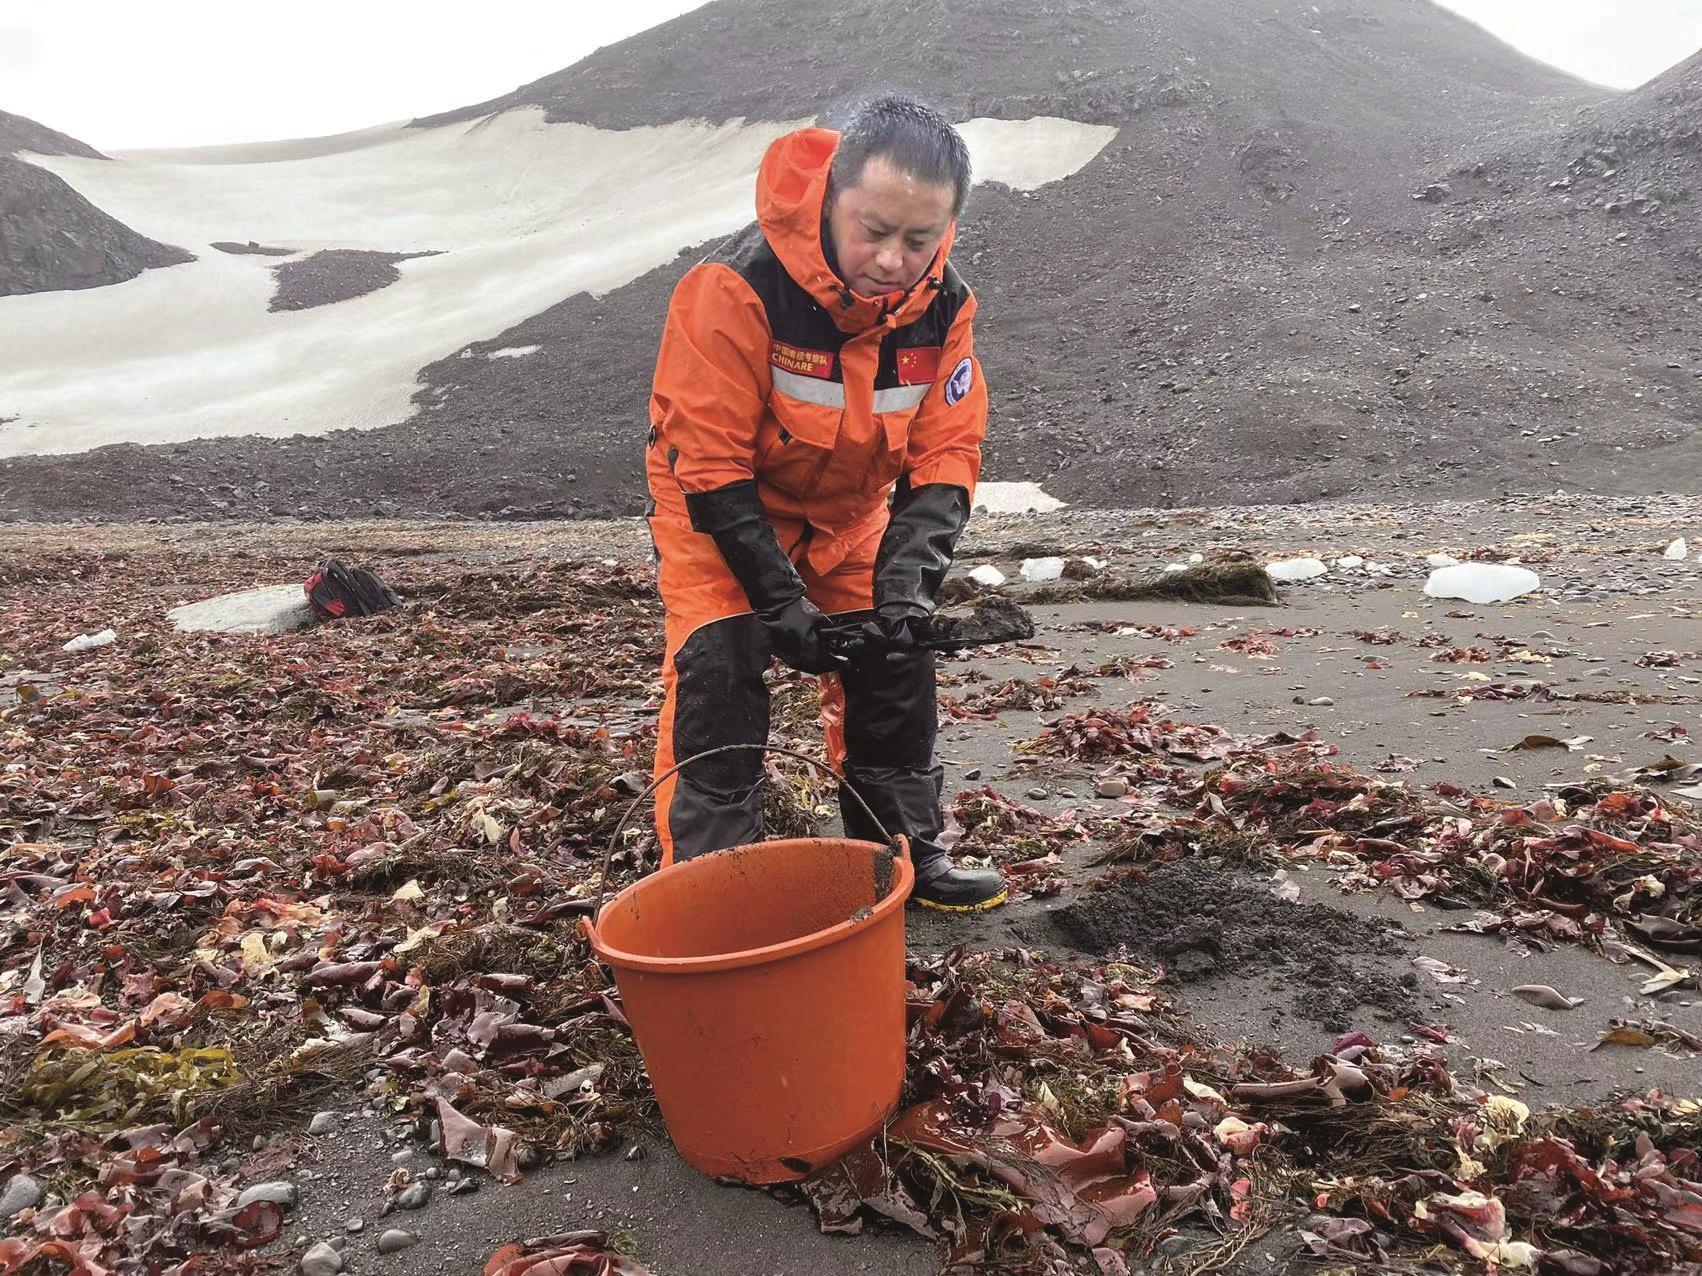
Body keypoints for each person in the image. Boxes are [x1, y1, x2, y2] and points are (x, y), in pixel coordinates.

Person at [643, 93, 1006, 912]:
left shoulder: (946, 307)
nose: (893, 259)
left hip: (850, 512)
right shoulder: (734, 288)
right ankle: (710, 891)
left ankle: (902, 858)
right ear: (833, 198)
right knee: (721, 670)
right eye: (874, 230)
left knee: (895, 660)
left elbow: (946, 453)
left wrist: (907, 590)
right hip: (719, 509)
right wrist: (778, 602)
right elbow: (709, 459)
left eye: (920, 240)